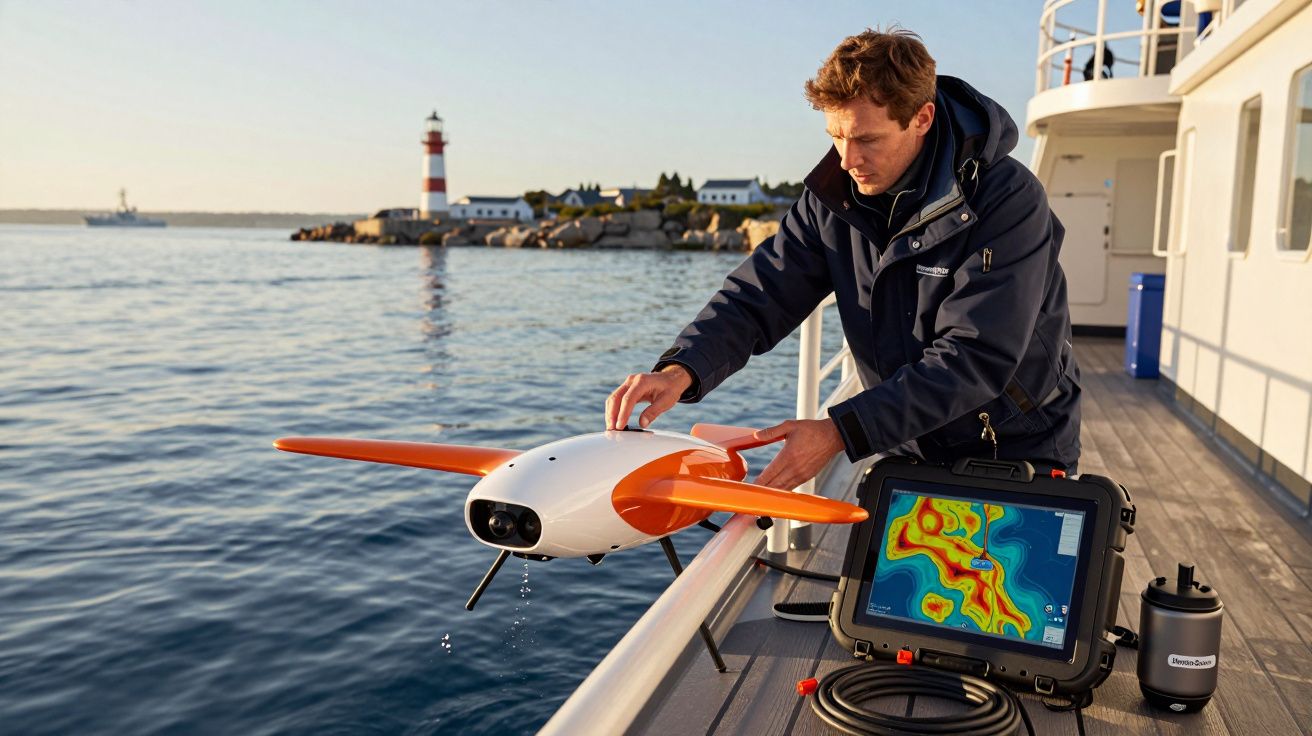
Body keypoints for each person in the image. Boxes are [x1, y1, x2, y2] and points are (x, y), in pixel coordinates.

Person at [605, 28, 1080, 493]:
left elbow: (978, 354)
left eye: (867, 139)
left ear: (922, 117)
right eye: (835, 136)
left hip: (1014, 444)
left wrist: (840, 432)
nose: (848, 159)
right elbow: (760, 295)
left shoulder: (1008, 200)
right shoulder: (832, 199)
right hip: (909, 444)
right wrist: (681, 369)